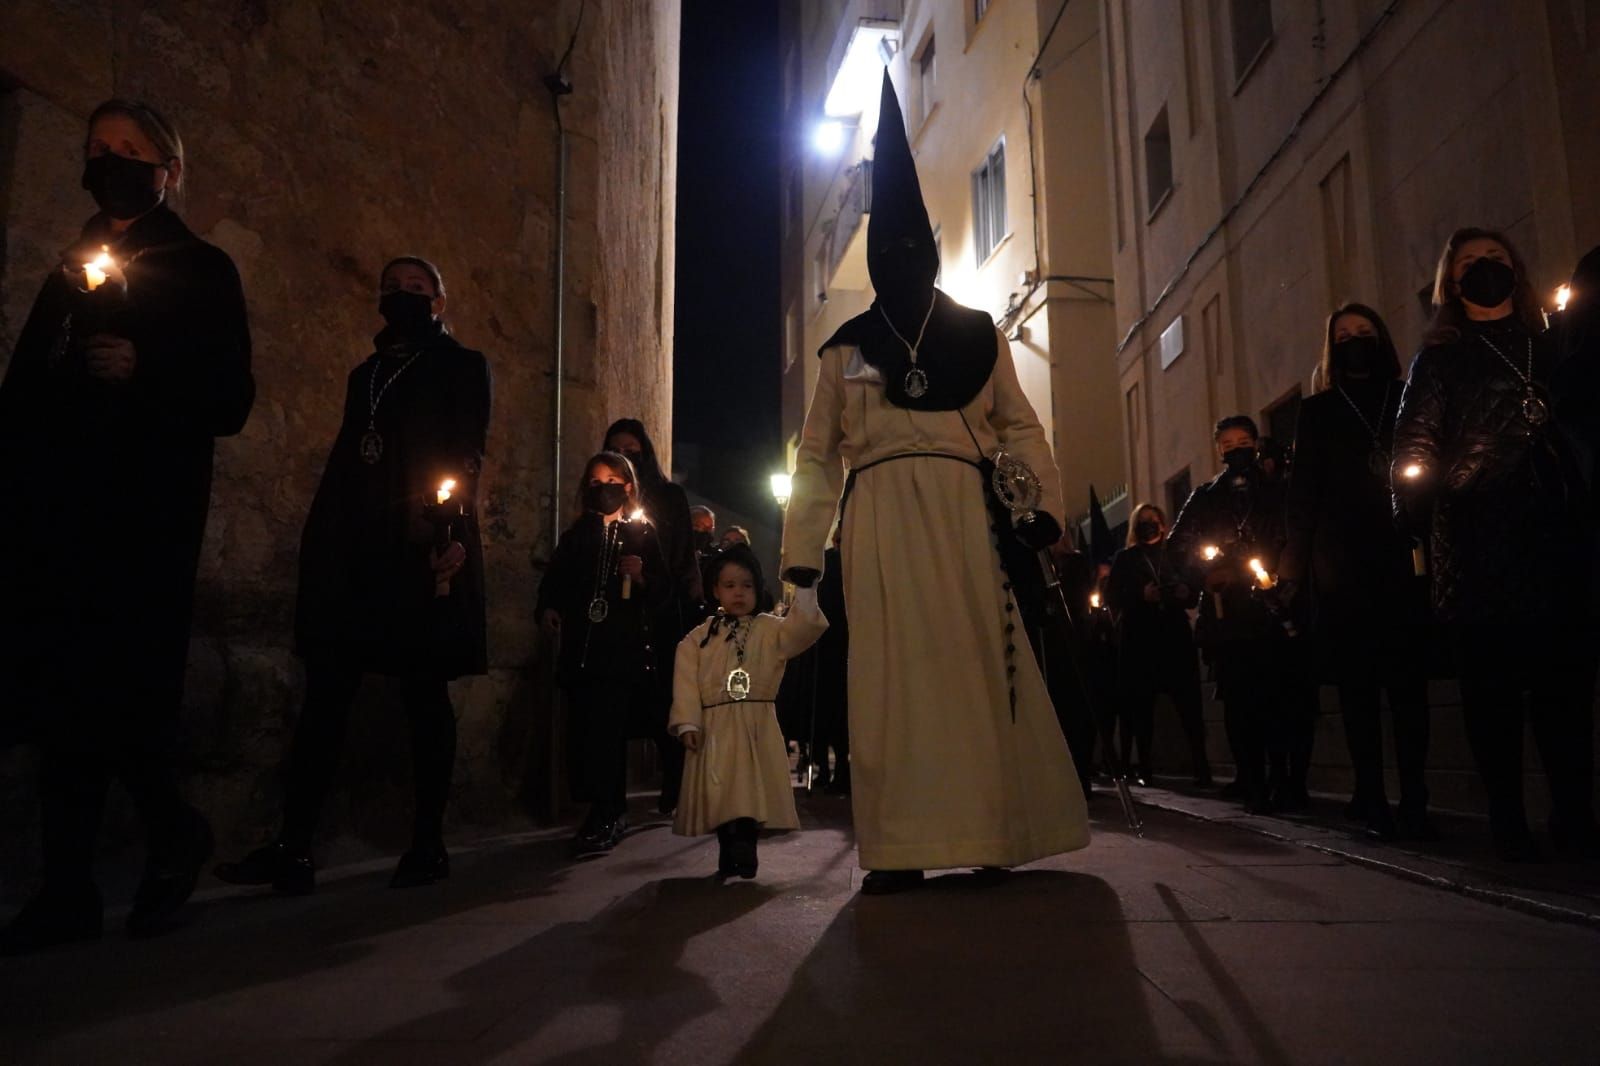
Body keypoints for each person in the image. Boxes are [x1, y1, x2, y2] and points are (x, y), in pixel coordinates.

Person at [780, 72, 1088, 894]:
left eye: (914, 245)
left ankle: (990, 831)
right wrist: (802, 565)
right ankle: (900, 847)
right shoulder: (844, 351)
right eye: (891, 246)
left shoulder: (978, 336)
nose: (902, 259)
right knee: (888, 684)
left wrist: (1041, 510)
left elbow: (1020, 428)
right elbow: (814, 459)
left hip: (965, 519)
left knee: (977, 671)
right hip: (876, 517)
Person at [0, 100, 254, 952]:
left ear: (168, 170)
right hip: (60, 513)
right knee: (62, 697)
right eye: (98, 149)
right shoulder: (70, 270)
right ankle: (69, 886)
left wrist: (148, 370)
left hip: (143, 517)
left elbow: (230, 398)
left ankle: (170, 831)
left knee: (125, 695)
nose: (110, 161)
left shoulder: (203, 268)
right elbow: (26, 386)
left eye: (130, 150)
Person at [214, 256, 490, 894]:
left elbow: (467, 448)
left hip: (423, 539)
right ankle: (295, 845)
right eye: (391, 287)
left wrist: (450, 532)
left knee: (423, 691)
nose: (402, 295)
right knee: (327, 692)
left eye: (417, 288)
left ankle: (428, 843)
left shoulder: (461, 364)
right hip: (355, 543)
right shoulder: (365, 374)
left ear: (440, 302)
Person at [1393, 228, 1599, 861]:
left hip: (1554, 530)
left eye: (1496, 260)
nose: (1484, 270)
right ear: (1450, 282)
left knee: (1564, 688)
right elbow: (1414, 445)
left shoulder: (1553, 344)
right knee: (1493, 692)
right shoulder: (1441, 358)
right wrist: (1421, 512)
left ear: (1517, 269)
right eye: (1468, 264)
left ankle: (1574, 818)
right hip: (1478, 534)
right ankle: (1507, 820)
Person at [1281, 303, 1433, 840]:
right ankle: (1369, 790)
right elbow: (1304, 494)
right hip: (1342, 565)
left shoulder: (1406, 395)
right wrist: (1291, 572)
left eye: (1364, 332)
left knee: (1409, 687)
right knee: (1358, 688)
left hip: (1401, 555)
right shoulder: (1318, 410)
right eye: (1343, 335)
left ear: (1382, 338)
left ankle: (1415, 793)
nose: (1355, 341)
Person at [537, 452, 672, 855]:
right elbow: (556, 579)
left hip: (620, 652)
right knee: (584, 732)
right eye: (594, 483)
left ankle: (610, 810)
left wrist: (641, 577)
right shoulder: (579, 533)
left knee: (609, 733)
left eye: (611, 480)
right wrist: (548, 608)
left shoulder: (643, 534)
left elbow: (663, 593)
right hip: (583, 650)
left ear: (627, 486)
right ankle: (595, 807)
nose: (603, 489)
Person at [670, 545, 828, 878]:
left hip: (756, 725)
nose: (738, 593)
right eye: (729, 585)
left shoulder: (770, 629)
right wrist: (688, 723)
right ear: (715, 589)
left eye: (746, 585)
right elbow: (685, 682)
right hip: (715, 727)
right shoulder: (697, 640)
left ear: (757, 588)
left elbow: (803, 629)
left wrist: (805, 591)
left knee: (749, 791)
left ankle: (745, 844)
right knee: (721, 791)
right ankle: (729, 845)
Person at [1169, 416, 1296, 813]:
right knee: (1240, 702)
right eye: (1227, 443)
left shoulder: (1277, 490)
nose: (1235, 448)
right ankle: (1252, 781)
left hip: (1275, 609)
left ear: (1256, 443)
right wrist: (1205, 575)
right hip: (1228, 615)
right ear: (1218, 449)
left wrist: (1283, 574)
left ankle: (1285, 779)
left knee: (1280, 699)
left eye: (1243, 440)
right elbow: (1178, 546)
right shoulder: (1206, 496)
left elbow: (1295, 531)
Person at [602, 419, 700, 813]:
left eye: (632, 450)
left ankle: (674, 781)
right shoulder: (605, 496)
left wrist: (656, 580)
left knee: (663, 700)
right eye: (617, 450)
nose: (625, 457)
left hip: (661, 608)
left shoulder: (669, 496)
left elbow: (680, 552)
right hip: (619, 613)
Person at [1105, 504, 1211, 788]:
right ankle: (1146, 769)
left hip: (1174, 636)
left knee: (1189, 705)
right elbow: (1112, 595)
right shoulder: (1126, 559)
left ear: (1163, 525)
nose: (1148, 526)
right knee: (1142, 708)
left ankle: (1202, 767)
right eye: (1142, 522)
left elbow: (1194, 590)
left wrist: (1185, 591)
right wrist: (1141, 595)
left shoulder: (1175, 555)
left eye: (1153, 521)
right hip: (1141, 639)